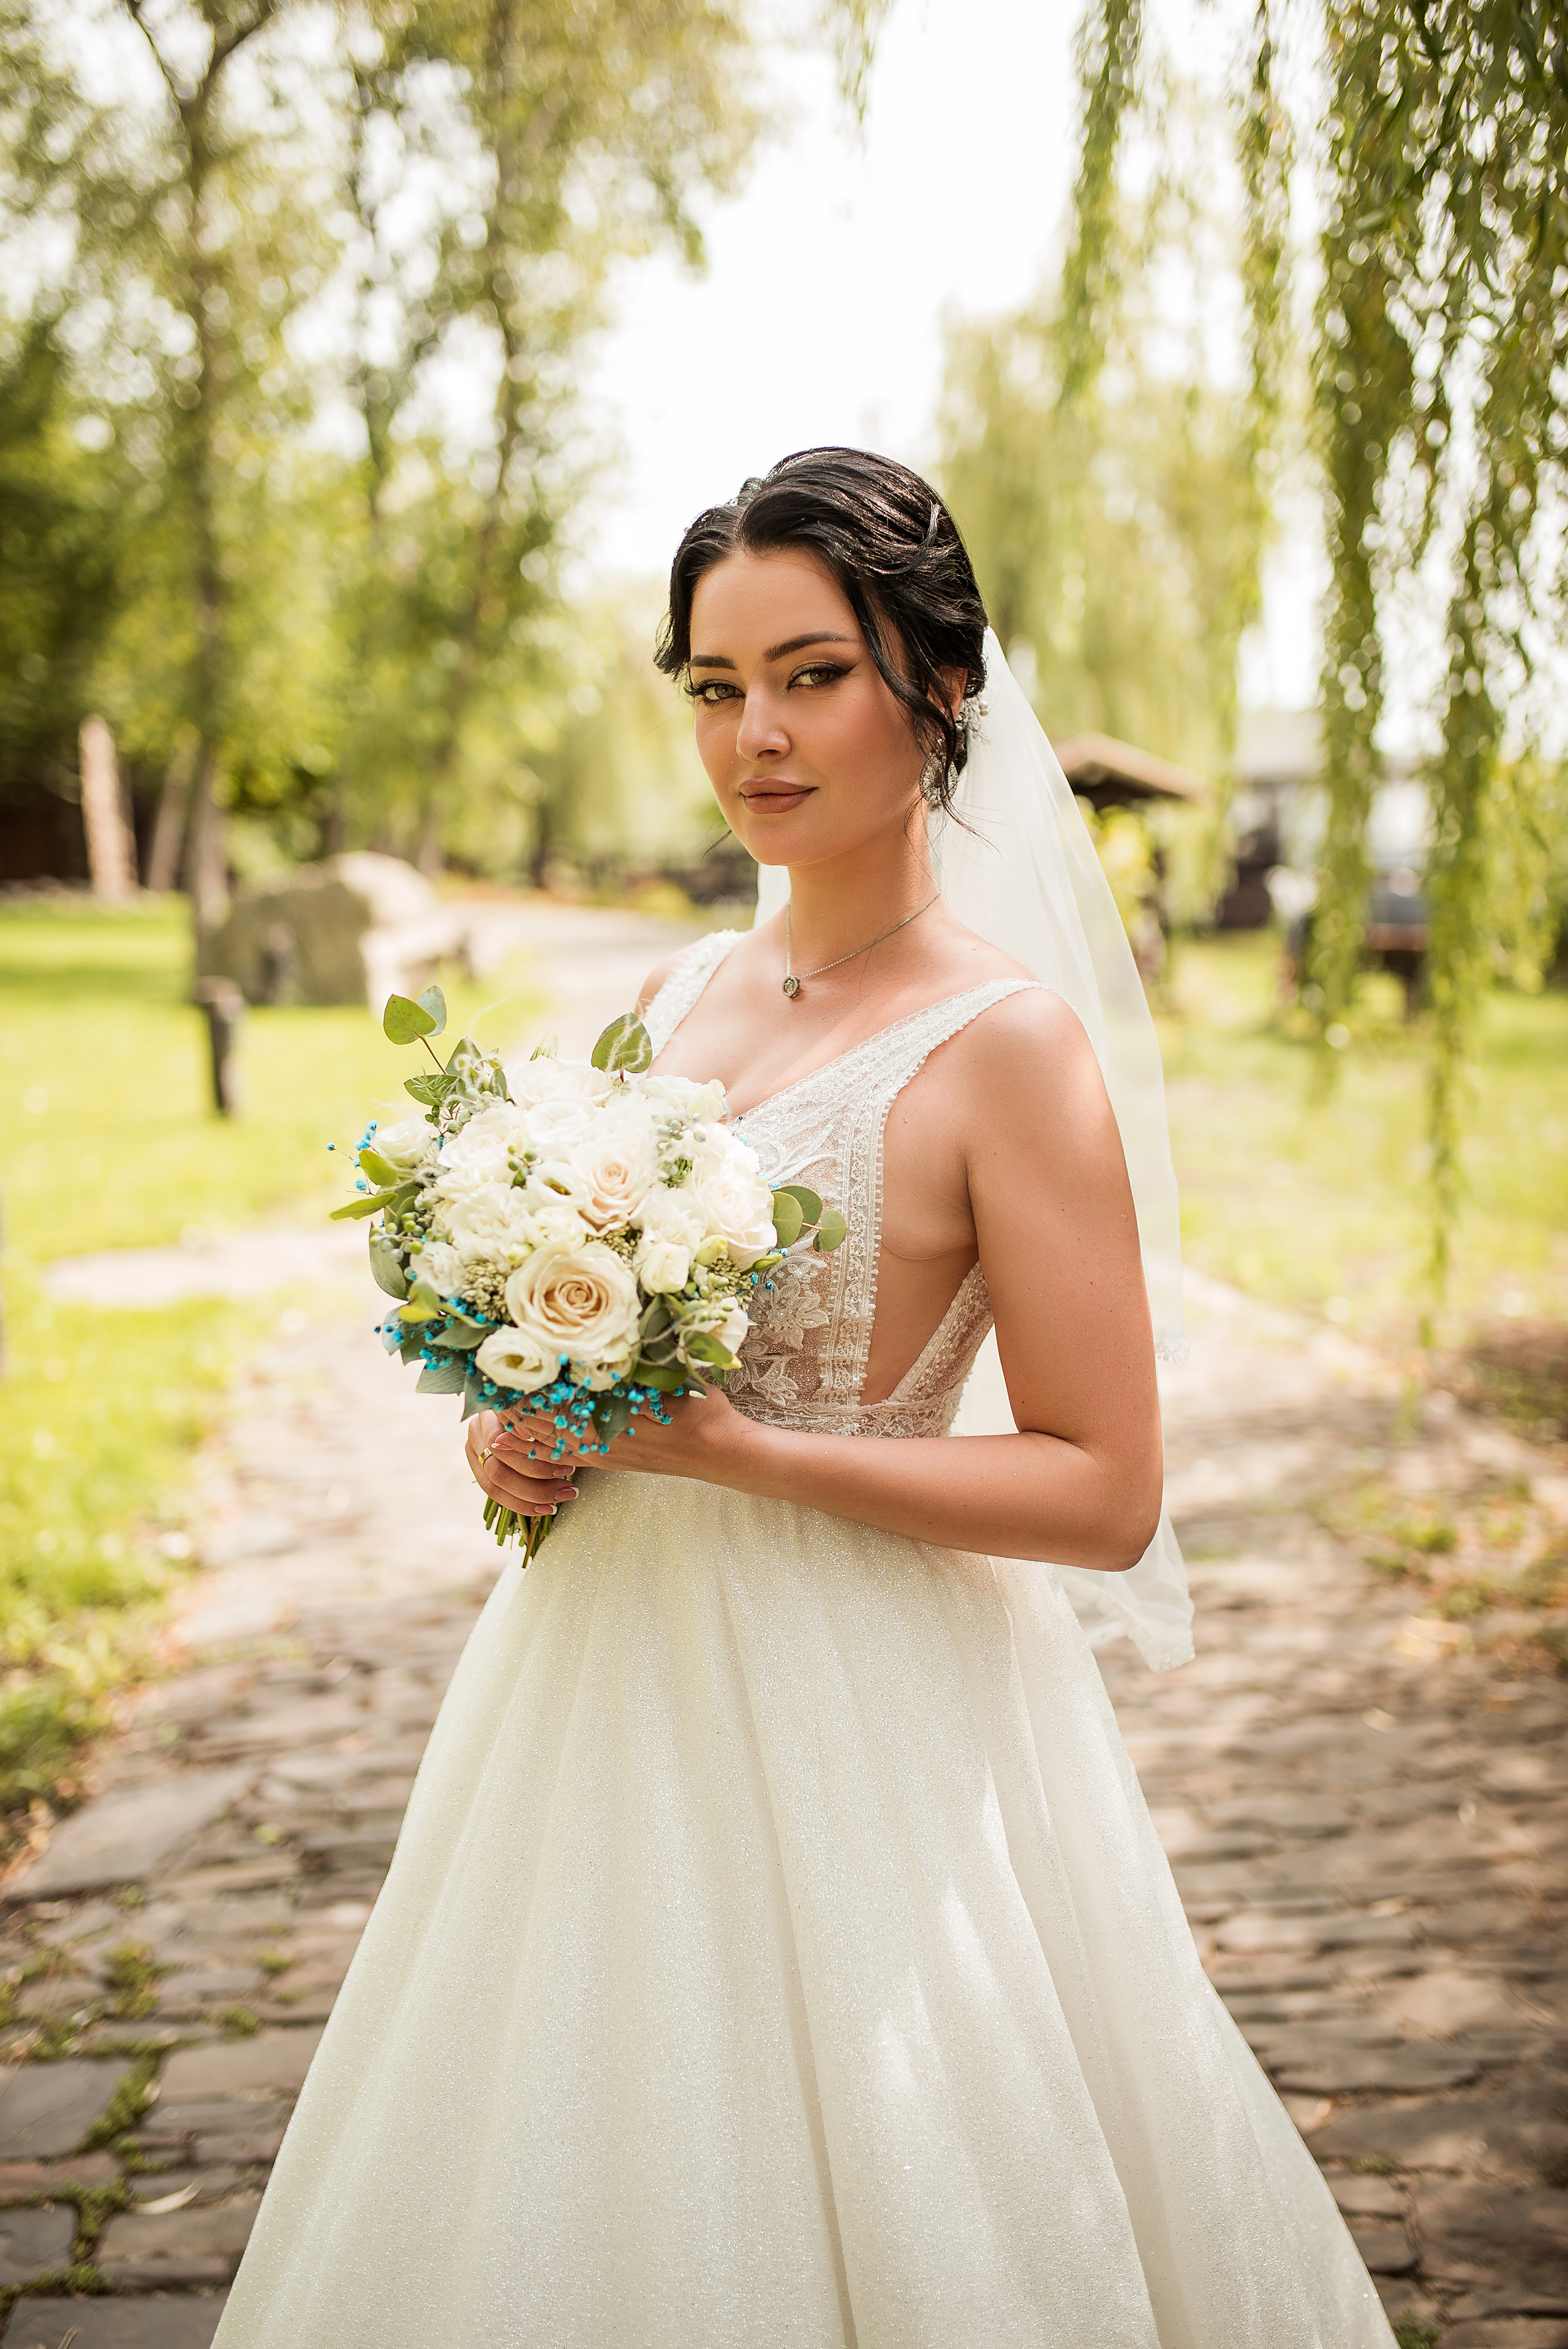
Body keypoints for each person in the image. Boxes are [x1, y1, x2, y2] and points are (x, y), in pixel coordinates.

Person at [214, 450, 1395, 2347]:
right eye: (710, 683)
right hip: (592, 1676)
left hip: (866, 1707)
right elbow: (601, 1358)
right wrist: (514, 1420)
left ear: (938, 681)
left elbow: (1108, 1487)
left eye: (809, 673)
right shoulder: (683, 993)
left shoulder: (1012, 1049)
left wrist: (750, 1451)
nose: (752, 734)